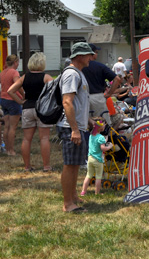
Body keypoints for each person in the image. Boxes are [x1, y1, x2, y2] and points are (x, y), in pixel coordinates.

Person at [58, 42, 94, 213]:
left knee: (75, 164)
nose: (91, 57)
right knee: (70, 165)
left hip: (78, 125)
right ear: (79, 56)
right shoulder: (72, 74)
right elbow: (67, 102)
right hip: (70, 127)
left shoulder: (78, 74)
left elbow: (79, 103)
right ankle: (68, 204)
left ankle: (73, 197)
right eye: (88, 54)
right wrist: (74, 129)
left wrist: (88, 120)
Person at [7, 52, 54, 171]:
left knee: (27, 139)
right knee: (44, 138)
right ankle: (46, 166)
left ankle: (27, 166)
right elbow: (54, 92)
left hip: (27, 108)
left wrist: (20, 101)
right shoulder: (46, 77)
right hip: (42, 110)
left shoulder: (24, 77)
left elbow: (10, 91)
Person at [82, 44, 122, 126]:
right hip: (97, 97)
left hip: (82, 98)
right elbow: (117, 79)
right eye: (96, 52)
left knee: (85, 125)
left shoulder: (79, 66)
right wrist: (109, 94)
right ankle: (101, 138)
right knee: (101, 124)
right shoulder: (100, 66)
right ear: (91, 53)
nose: (97, 54)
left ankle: (89, 138)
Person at [80, 119, 113, 196]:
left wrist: (104, 140)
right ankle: (97, 193)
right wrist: (110, 146)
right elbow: (103, 148)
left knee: (88, 175)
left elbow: (97, 142)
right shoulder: (101, 137)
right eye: (104, 124)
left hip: (90, 158)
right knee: (98, 177)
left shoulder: (91, 135)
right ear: (100, 128)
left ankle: (83, 191)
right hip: (98, 160)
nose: (105, 126)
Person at [1, 54, 21, 156]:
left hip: (3, 99)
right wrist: (23, 95)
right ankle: (11, 150)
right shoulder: (14, 72)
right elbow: (18, 85)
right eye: (18, 62)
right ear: (15, 62)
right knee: (13, 127)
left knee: (7, 126)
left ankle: (6, 149)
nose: (18, 64)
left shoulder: (2, 72)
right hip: (12, 100)